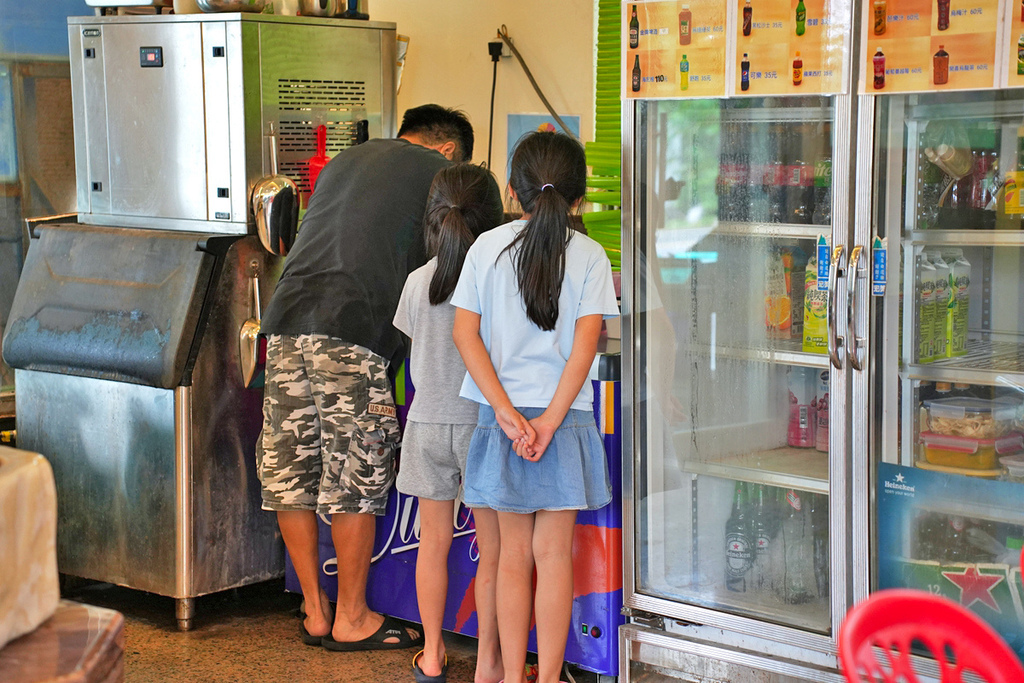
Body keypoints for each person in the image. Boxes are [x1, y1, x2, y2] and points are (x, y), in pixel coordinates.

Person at [257, 104, 476, 652]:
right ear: (448, 150)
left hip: (284, 321)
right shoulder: (437, 176)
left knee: (293, 468)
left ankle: (314, 609)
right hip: (351, 327)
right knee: (355, 472)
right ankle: (352, 617)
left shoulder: (344, 161)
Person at [451, 131, 619, 683]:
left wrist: (504, 411)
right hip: (563, 422)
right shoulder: (591, 255)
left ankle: (501, 673)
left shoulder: (486, 248)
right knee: (554, 558)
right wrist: (548, 420)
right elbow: (585, 346)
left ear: (512, 189)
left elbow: (465, 335)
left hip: (500, 423)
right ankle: (546, 677)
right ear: (580, 198)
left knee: (511, 559)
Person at [392, 163, 505, 683]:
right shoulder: (496, 278)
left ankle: (433, 655)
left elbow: (418, 348)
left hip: (426, 423)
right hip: (482, 425)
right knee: (493, 551)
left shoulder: (418, 282)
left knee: (432, 544)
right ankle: (489, 662)